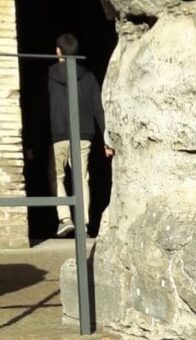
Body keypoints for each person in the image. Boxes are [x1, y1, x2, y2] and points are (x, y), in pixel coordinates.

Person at [47, 33, 114, 237]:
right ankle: (83, 224)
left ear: (58, 51)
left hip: (59, 134)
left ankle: (65, 218)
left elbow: (43, 108)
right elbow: (98, 110)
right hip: (84, 135)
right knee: (81, 179)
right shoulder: (89, 77)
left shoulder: (50, 75)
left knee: (56, 176)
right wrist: (107, 139)